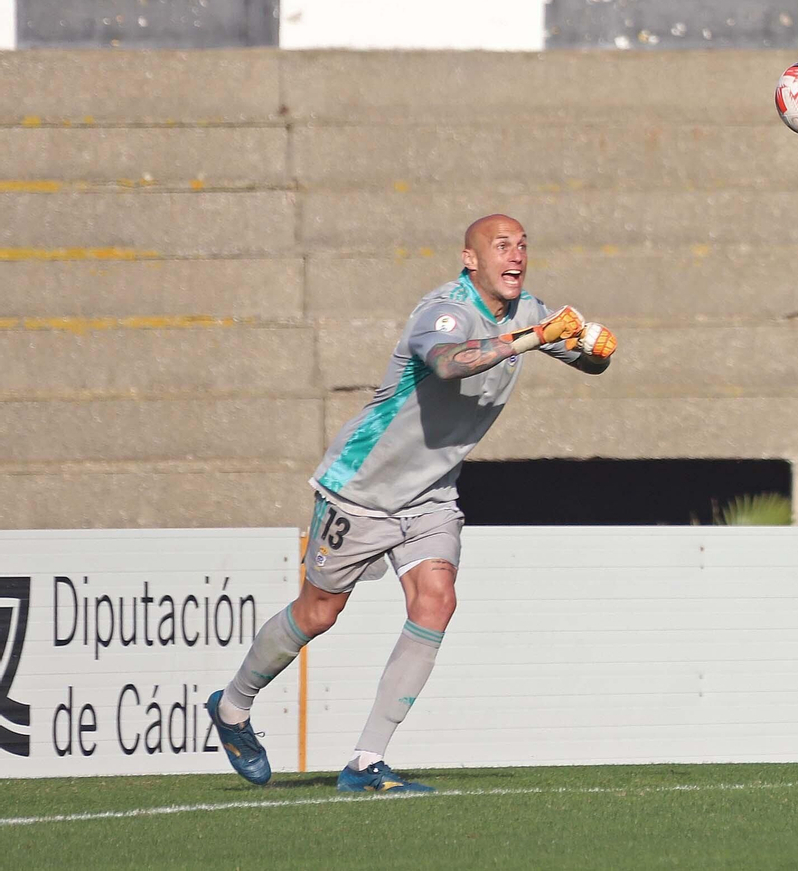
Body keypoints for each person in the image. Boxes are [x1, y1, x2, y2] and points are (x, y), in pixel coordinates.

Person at [205, 214, 617, 792]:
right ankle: (232, 706)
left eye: (522, 245)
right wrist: (536, 338)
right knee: (318, 612)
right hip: (363, 487)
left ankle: (365, 761)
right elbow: (450, 363)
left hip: (431, 492)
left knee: (437, 599)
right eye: (501, 246)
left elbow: (585, 361)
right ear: (470, 258)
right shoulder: (442, 312)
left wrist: (593, 349)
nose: (515, 256)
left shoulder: (528, 311)